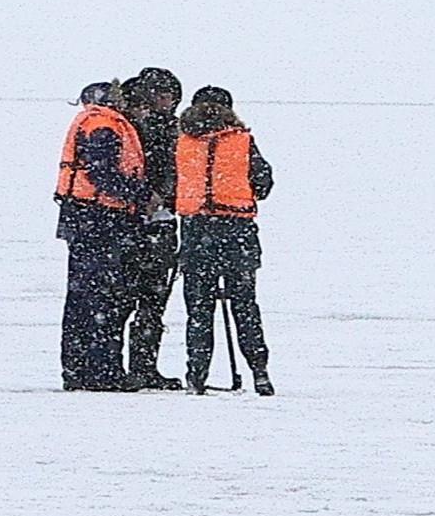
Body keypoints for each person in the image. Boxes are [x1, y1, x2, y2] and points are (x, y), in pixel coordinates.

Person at [170, 85, 275, 395]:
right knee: (245, 305)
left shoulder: (183, 143)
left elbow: (171, 184)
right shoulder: (243, 142)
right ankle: (259, 372)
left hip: (196, 232)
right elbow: (263, 182)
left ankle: (196, 375)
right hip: (237, 231)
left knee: (199, 311)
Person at [53, 82, 155, 390]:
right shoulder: (104, 125)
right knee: (103, 298)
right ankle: (102, 372)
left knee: (82, 299)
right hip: (99, 219)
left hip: (84, 218)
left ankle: (77, 370)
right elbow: (103, 174)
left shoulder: (93, 121)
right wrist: (141, 195)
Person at [117, 67, 187, 389]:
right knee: (144, 299)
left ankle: (137, 367)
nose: (166, 101)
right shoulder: (153, 129)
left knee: (144, 300)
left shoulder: (133, 125)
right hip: (144, 222)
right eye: (162, 94)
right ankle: (137, 367)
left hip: (145, 222)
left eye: (170, 95)